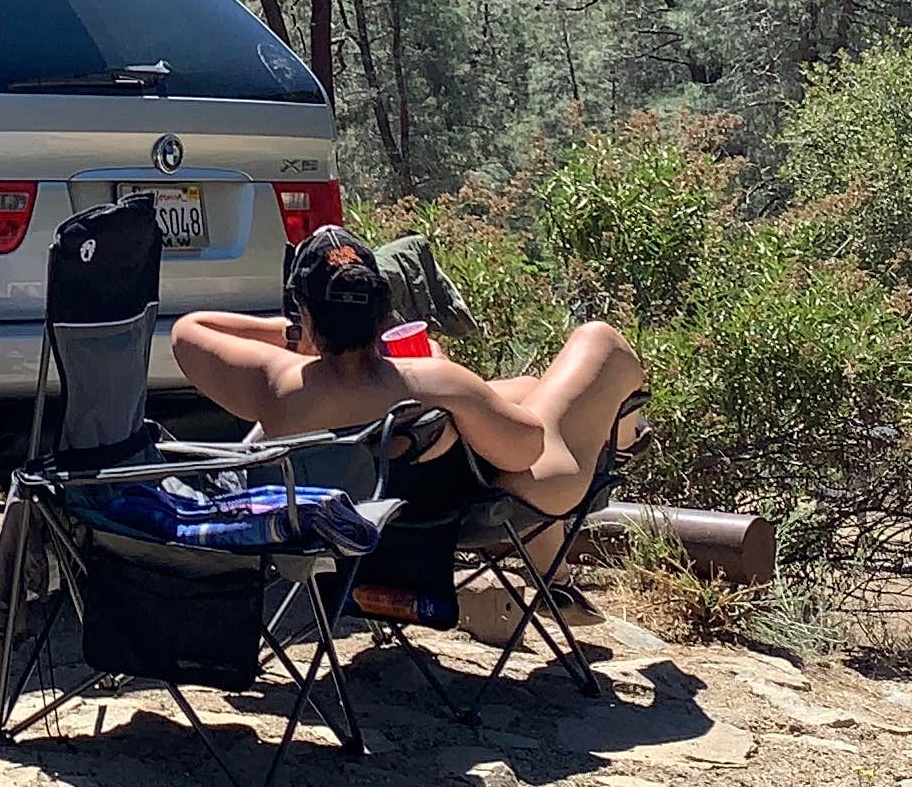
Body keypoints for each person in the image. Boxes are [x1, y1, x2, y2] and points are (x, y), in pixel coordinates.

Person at [168, 224, 649, 595]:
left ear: (304, 311)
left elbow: (190, 331)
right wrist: (449, 383)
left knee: (523, 386)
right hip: (480, 509)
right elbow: (527, 448)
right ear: (382, 315)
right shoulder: (426, 380)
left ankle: (556, 579)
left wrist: (300, 335)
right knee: (599, 342)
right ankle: (626, 434)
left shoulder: (278, 386)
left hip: (367, 531)